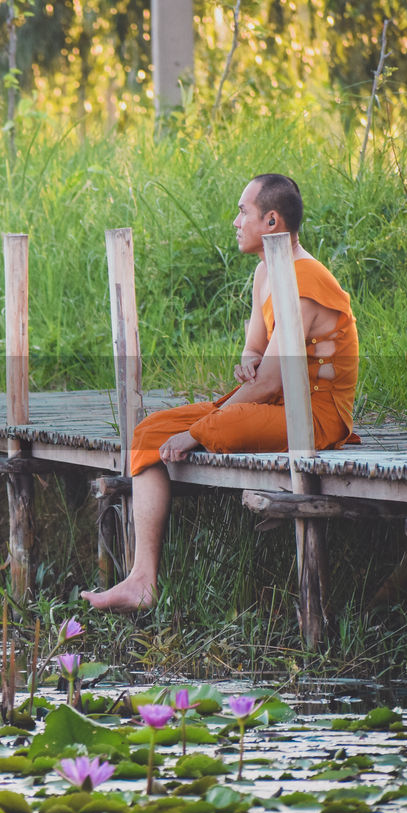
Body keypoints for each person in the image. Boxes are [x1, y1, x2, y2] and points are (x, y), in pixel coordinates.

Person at [82, 174, 359, 611]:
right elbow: (257, 351)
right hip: (272, 404)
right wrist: (249, 358)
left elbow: (272, 381)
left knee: (219, 423)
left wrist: (198, 430)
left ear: (271, 220)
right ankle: (141, 579)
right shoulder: (266, 272)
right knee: (149, 431)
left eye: (242, 211)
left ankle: (205, 429)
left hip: (315, 416)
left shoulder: (305, 280)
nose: (235, 222)